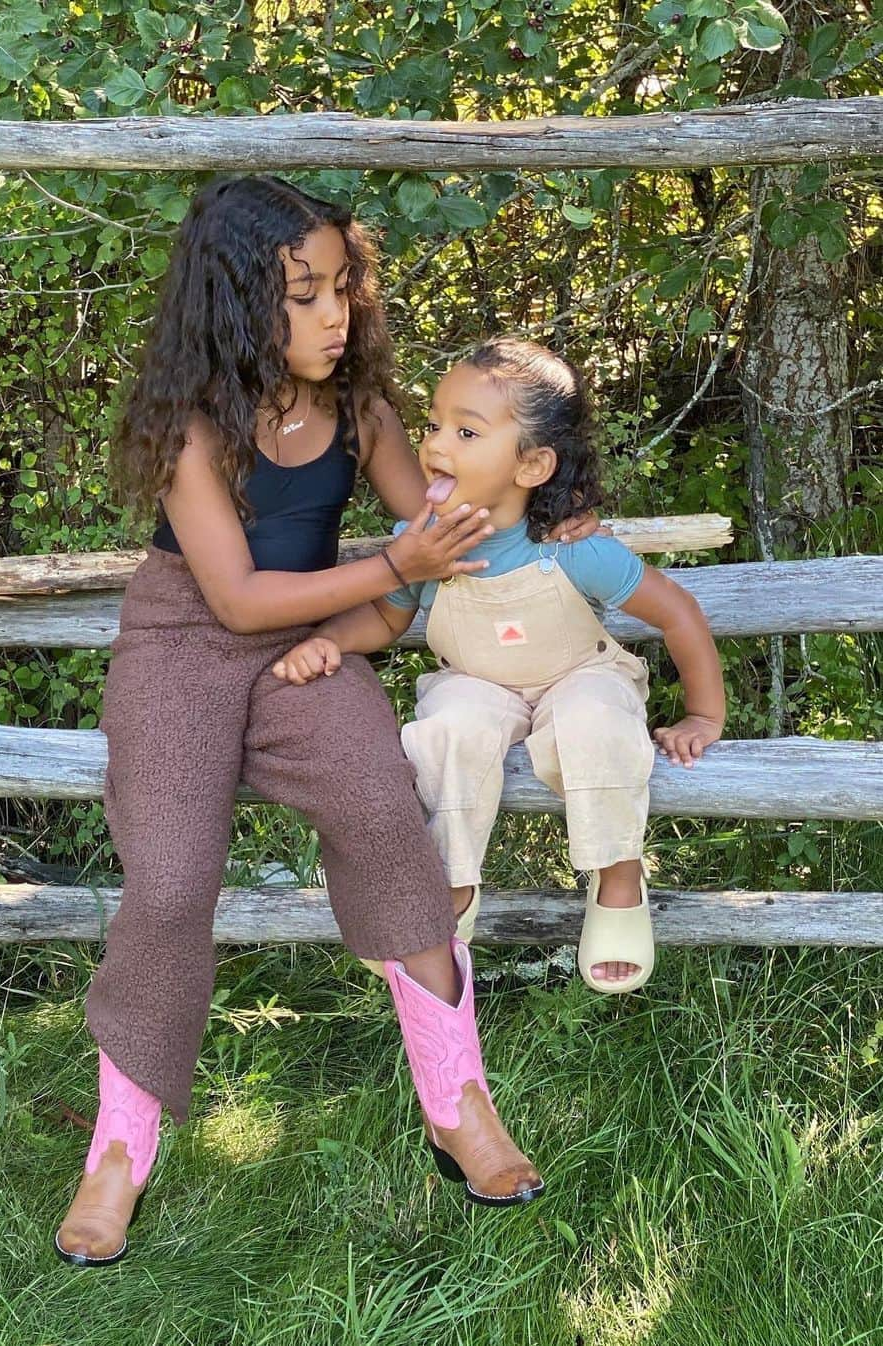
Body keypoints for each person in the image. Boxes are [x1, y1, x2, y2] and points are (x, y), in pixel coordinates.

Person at [54, 182, 600, 1267]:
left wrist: (548, 511)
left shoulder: (362, 411)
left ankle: (458, 1100)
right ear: (234, 302)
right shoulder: (192, 426)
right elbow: (240, 600)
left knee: (383, 807)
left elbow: (442, 517)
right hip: (187, 642)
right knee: (168, 882)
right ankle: (121, 1142)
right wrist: (396, 567)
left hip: (315, 643)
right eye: (302, 296)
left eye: (342, 287)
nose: (333, 314)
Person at [272, 335, 726, 997]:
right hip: (479, 682)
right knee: (448, 728)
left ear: (533, 465)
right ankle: (448, 890)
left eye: (465, 430)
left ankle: (619, 879)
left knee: (597, 722)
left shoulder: (571, 546)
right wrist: (333, 641)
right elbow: (388, 618)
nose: (435, 445)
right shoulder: (422, 541)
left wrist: (703, 713)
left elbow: (678, 613)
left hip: (578, 674)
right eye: (433, 425)